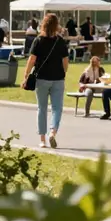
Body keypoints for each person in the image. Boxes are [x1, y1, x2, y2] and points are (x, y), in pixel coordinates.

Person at [21, 13, 69, 148]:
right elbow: (65, 61)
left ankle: (42, 139)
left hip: (41, 78)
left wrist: (26, 76)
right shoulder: (60, 41)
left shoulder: (38, 40)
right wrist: (63, 73)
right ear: (56, 25)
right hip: (58, 78)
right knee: (57, 108)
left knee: (42, 108)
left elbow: (32, 60)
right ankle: (53, 132)